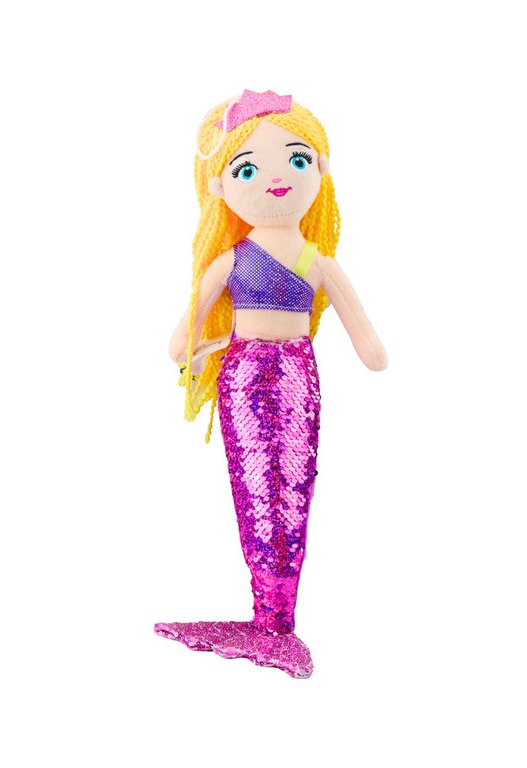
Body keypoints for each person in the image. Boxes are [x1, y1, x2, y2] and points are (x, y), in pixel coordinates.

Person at [154, 90, 387, 678]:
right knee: (255, 484)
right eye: (248, 170)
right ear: (220, 186)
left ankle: (278, 619)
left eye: (296, 160)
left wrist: (370, 347)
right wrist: (194, 347)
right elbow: (183, 334)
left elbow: (363, 332)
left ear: (319, 169)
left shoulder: (315, 261)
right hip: (243, 376)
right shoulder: (231, 259)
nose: (277, 178)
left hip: (297, 375)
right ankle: (267, 615)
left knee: (293, 483)